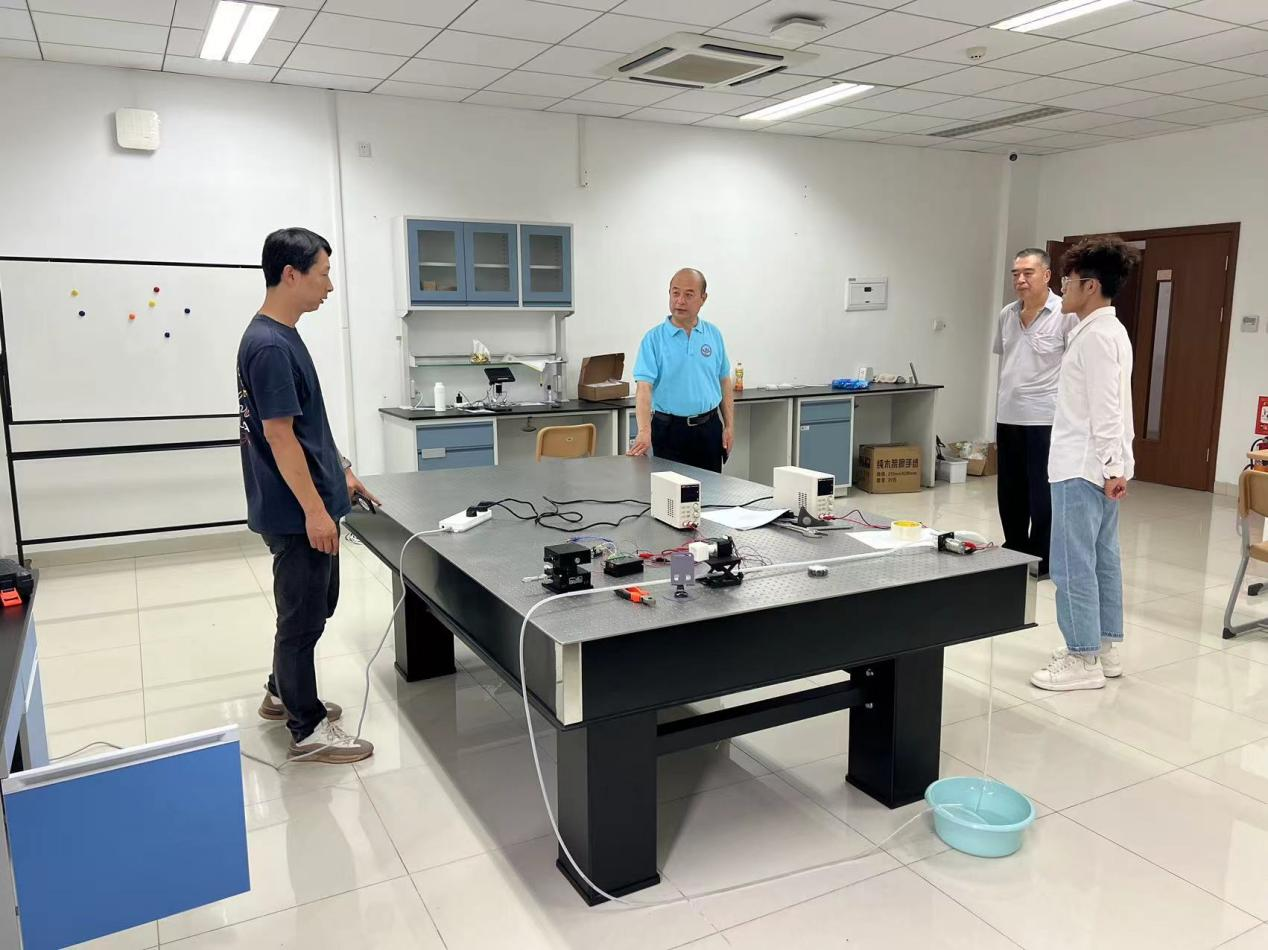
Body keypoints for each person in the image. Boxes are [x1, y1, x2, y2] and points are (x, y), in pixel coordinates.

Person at [238, 227, 378, 761]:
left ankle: (282, 692)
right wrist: (316, 513)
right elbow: (279, 438)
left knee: (317, 605)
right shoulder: (271, 346)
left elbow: (305, 425)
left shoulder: (282, 335)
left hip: (307, 502)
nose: (330, 286)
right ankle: (308, 729)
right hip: (296, 512)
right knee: (301, 620)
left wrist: (341, 470)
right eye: (323, 274)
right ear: (291, 274)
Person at [1031, 236, 1139, 691]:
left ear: (1091, 286)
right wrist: (1117, 467)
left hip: (1081, 466)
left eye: (1069, 281)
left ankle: (1082, 657)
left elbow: (1106, 408)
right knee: (1102, 558)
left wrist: (1113, 466)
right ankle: (1104, 646)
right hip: (1100, 465)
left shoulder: (1096, 337)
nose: (1063, 289)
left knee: (1072, 563)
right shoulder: (1108, 331)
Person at [994, 248, 1078, 578]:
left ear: (1046, 275)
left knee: (1042, 491)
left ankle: (1043, 556)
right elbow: (1007, 360)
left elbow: (1075, 368)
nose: (1020, 279)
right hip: (1008, 414)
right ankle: (1015, 549)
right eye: (1015, 273)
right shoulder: (1007, 314)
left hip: (1045, 418)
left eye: (1028, 273)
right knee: (1010, 489)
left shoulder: (1065, 314)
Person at [628, 268, 734, 473]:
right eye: (675, 293)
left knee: (711, 490)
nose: (680, 301)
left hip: (709, 429)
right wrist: (644, 431)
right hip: (668, 431)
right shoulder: (653, 339)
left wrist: (729, 426)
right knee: (670, 491)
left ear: (703, 298)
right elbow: (644, 388)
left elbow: (724, 381)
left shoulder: (713, 335)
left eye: (688, 295)